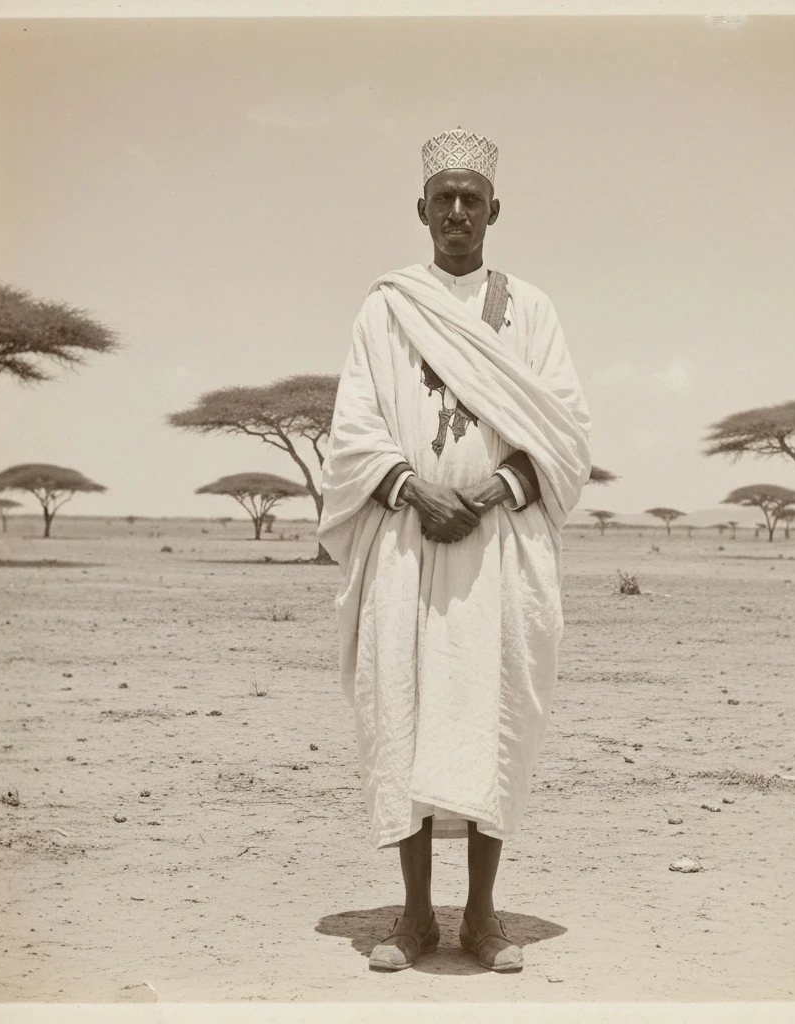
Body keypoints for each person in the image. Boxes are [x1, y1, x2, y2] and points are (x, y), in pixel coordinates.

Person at [317, 127, 592, 973]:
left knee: (495, 713)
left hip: (500, 543)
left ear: (495, 210)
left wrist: (486, 492)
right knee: (402, 708)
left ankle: (479, 916)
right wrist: (412, 487)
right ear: (422, 210)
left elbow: (565, 432)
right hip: (406, 540)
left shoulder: (532, 310)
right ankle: (411, 919)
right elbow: (356, 423)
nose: (459, 212)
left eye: (474, 199)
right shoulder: (387, 307)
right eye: (445, 199)